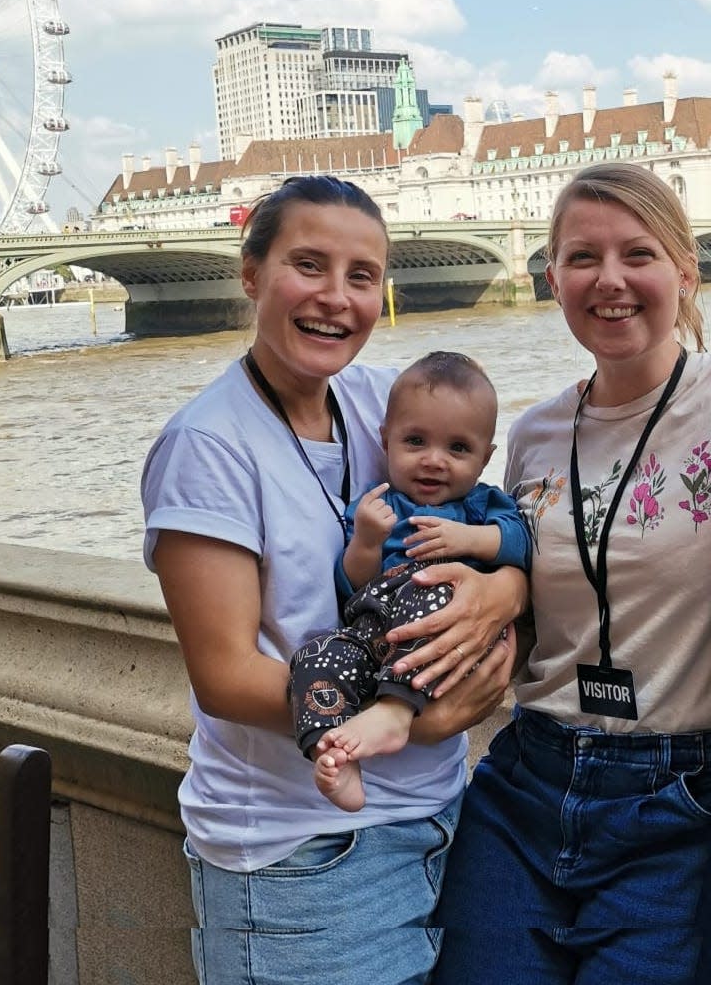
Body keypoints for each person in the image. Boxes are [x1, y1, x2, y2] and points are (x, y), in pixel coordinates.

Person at [141, 174, 527, 985]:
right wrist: (409, 722)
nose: (336, 298)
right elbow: (226, 676)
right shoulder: (207, 446)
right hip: (303, 858)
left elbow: (489, 521)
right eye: (307, 265)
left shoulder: (379, 400)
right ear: (250, 274)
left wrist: (504, 591)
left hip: (436, 822)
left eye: (362, 275)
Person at [433, 161, 711, 985]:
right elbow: (537, 590)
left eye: (639, 254)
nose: (611, 280)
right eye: (583, 258)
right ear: (551, 277)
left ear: (685, 269)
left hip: (675, 802)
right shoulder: (534, 433)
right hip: (527, 781)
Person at [290, 350, 531, 812]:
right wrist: (364, 541)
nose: (433, 461)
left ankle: (395, 714)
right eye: (415, 441)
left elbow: (521, 544)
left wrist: (470, 539)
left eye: (458, 449)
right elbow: (350, 585)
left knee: (432, 587)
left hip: (439, 635)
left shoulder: (481, 506)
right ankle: (336, 753)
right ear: (385, 440)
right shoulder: (377, 505)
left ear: (485, 457)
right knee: (315, 654)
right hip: (377, 633)